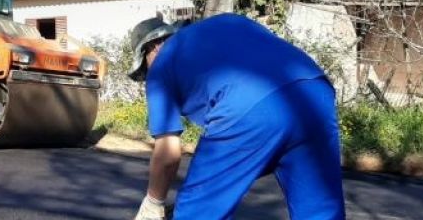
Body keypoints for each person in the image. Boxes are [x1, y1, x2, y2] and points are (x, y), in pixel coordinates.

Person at [130, 13, 345, 220]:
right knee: (319, 209)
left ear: (152, 48)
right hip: (314, 90)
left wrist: (153, 203)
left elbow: (168, 154)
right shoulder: (227, 22)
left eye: (144, 69)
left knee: (198, 211)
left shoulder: (161, 65)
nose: (148, 74)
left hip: (250, 108)